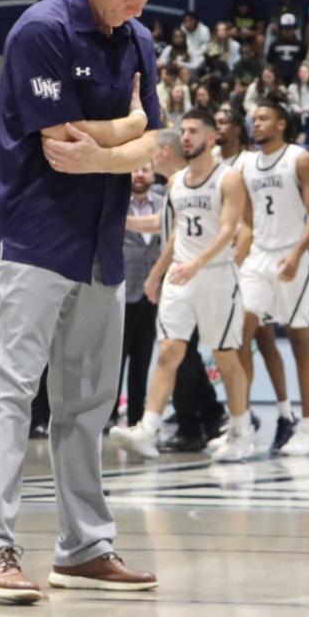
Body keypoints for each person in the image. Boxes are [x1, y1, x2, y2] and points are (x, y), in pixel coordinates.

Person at [0, 0, 164, 603]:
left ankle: (83, 547)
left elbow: (154, 144)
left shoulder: (137, 38)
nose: (138, 7)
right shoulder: (40, 30)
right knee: (15, 389)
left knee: (88, 402)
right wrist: (124, 133)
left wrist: (120, 141)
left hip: (103, 245)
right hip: (37, 237)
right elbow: (57, 140)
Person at [112, 110, 254, 462]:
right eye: (183, 130)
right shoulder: (175, 183)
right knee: (168, 353)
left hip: (216, 274)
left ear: (210, 138)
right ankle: (148, 428)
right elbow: (176, 233)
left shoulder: (229, 178)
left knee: (226, 358)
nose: (185, 136)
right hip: (181, 275)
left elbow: (229, 230)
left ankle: (240, 431)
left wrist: (197, 263)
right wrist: (157, 273)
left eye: (192, 131)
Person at [238, 97, 309, 456]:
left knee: (300, 339)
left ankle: (308, 427)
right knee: (237, 337)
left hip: (295, 253)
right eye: (254, 118)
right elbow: (246, 221)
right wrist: (237, 260)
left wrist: (296, 253)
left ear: (281, 124)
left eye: (264, 118)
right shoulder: (245, 165)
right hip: (258, 256)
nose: (256, 123)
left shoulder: (300, 158)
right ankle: (240, 425)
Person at [117, 162, 164, 430]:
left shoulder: (164, 203)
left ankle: (136, 417)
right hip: (121, 292)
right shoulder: (116, 202)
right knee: (115, 360)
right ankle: (108, 414)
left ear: (153, 173)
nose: (139, 174)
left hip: (153, 295)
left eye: (145, 169)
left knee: (143, 359)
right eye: (134, 169)